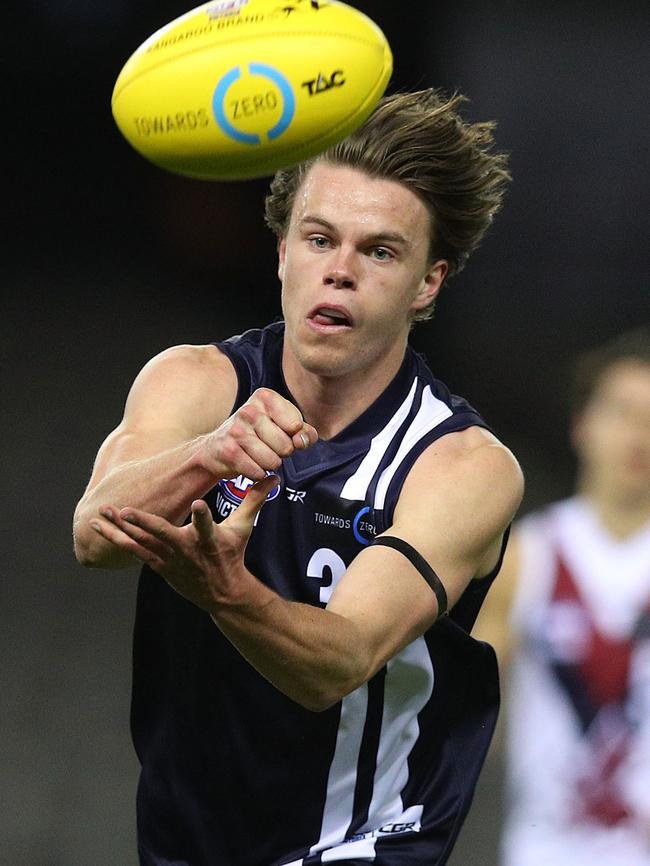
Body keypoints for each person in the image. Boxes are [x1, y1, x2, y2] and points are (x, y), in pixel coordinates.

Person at [73, 89, 523, 866]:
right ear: (282, 252)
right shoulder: (194, 383)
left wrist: (225, 590)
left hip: (362, 845)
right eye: (320, 239)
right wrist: (210, 453)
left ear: (428, 283)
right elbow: (93, 534)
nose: (340, 271)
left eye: (380, 252)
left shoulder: (461, 464)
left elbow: (338, 665)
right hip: (184, 840)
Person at [474, 327, 650, 866]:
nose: (637, 436)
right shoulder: (528, 555)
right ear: (582, 424)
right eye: (622, 412)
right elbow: (471, 711)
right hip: (544, 850)